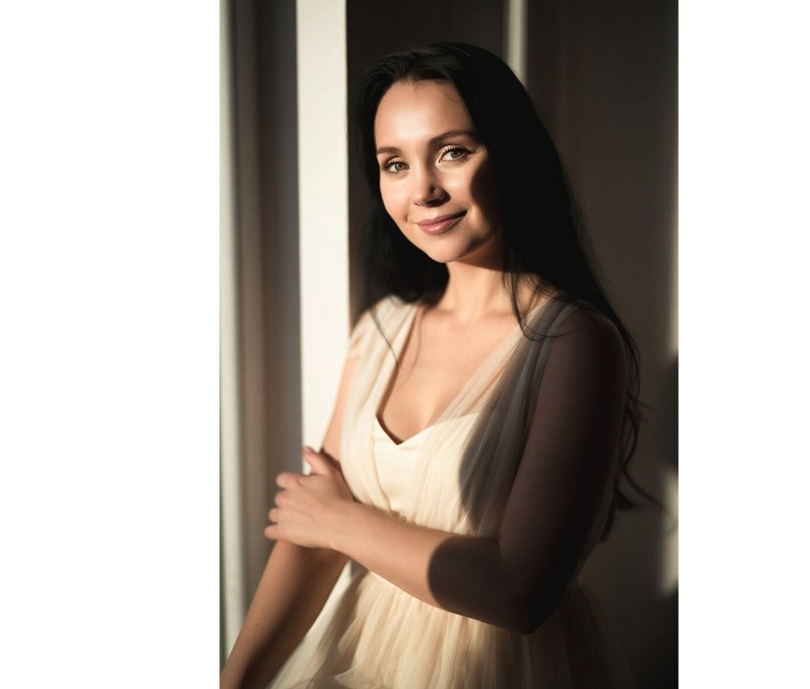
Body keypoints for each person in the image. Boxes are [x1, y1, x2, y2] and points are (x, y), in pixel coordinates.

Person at [219, 42, 643, 689]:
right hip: (362, 657)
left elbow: (517, 591)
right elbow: (310, 541)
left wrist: (342, 518)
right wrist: (237, 676)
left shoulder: (576, 343)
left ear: (508, 153)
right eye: (394, 163)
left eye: (452, 151)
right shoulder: (379, 329)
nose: (424, 190)